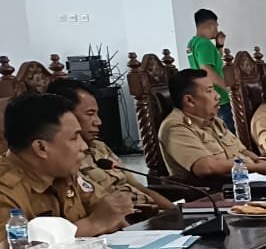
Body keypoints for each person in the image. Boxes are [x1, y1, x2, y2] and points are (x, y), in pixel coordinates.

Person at [0, 92, 134, 249]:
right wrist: (93, 224)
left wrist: (112, 214)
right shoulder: (5, 190)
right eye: (74, 138)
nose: (84, 146)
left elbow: (109, 216)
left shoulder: (63, 171)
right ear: (41, 148)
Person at [47, 78, 173, 211]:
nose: (98, 122)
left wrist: (175, 212)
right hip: (127, 217)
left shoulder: (99, 147)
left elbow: (139, 188)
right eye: (90, 114)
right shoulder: (67, 160)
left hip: (150, 213)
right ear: (67, 116)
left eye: (97, 114)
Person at [158, 68, 266, 187]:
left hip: (247, 181)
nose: (217, 96)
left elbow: (242, 150)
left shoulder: (213, 121)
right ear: (189, 100)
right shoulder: (176, 127)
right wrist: (256, 168)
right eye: (209, 91)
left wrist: (259, 160)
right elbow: (206, 167)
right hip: (217, 190)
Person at [186, 7, 236, 133]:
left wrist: (219, 46)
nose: (217, 30)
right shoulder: (205, 44)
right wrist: (228, 89)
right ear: (210, 25)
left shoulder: (192, 43)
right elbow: (207, 70)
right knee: (228, 134)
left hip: (206, 97)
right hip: (219, 98)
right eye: (216, 26)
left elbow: (213, 64)